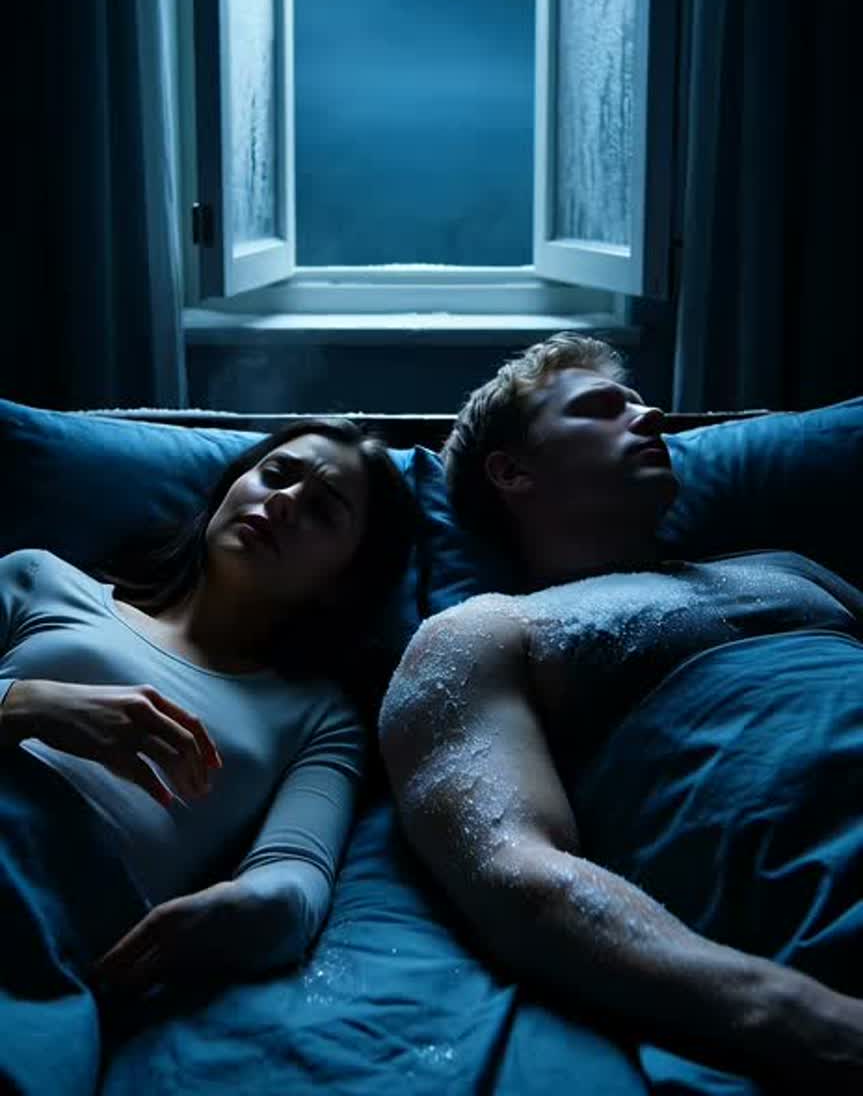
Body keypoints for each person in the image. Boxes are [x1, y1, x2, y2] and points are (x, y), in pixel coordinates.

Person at [379, 333, 863, 1092]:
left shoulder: (793, 571)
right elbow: (511, 870)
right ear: (512, 471)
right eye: (601, 408)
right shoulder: (486, 631)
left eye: (637, 403)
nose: (651, 415)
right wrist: (801, 1017)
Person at [0, 418, 414, 1096]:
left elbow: (296, 876)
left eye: (322, 510)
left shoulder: (320, 716)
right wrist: (27, 703)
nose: (283, 501)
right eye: (276, 475)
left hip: (56, 938)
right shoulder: (40, 579)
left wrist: (241, 911)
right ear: (228, 489)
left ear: (344, 581)